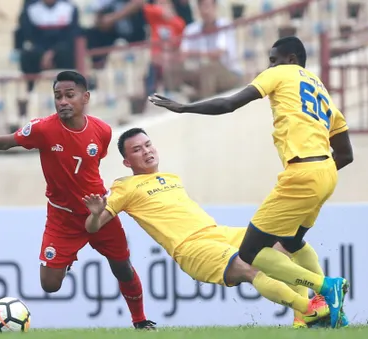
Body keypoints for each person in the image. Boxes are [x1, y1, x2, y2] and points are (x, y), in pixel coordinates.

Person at [148, 36, 354, 328]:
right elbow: (346, 154)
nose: (269, 65)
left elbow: (230, 104)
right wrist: (320, 172)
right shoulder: (322, 92)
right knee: (292, 242)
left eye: (274, 59)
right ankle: (332, 312)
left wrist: (184, 108)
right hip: (326, 171)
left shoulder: (279, 74)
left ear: (292, 59)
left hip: (302, 172)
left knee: (250, 253)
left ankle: (325, 286)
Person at [0, 70, 155, 330]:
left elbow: (92, 163)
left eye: (70, 95)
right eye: (57, 96)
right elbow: (8, 142)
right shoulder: (43, 129)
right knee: (49, 285)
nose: (62, 101)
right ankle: (66, 259)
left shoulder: (102, 131)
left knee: (122, 267)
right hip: (62, 217)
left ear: (85, 98)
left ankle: (140, 322)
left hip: (99, 211)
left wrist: (97, 206)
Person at [82, 127, 332, 327]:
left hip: (217, 233)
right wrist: (95, 215)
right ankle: (311, 308)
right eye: (137, 150)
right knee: (248, 270)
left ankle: (308, 313)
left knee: (285, 241)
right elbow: (93, 227)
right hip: (191, 247)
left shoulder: (171, 178)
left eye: (148, 145)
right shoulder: (124, 186)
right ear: (127, 162)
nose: (146, 151)